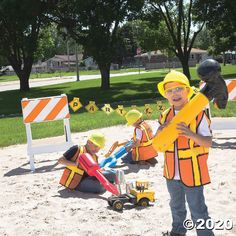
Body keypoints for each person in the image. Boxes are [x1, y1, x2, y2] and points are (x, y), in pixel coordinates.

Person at [156, 70, 214, 236]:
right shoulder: (164, 116)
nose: (174, 94)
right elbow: (157, 144)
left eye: (178, 89)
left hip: (193, 172)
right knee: (176, 206)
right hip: (171, 172)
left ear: (188, 91)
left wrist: (191, 134)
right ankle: (178, 231)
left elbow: (208, 142)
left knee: (198, 209)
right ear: (165, 95)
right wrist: (159, 132)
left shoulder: (198, 114)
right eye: (170, 91)